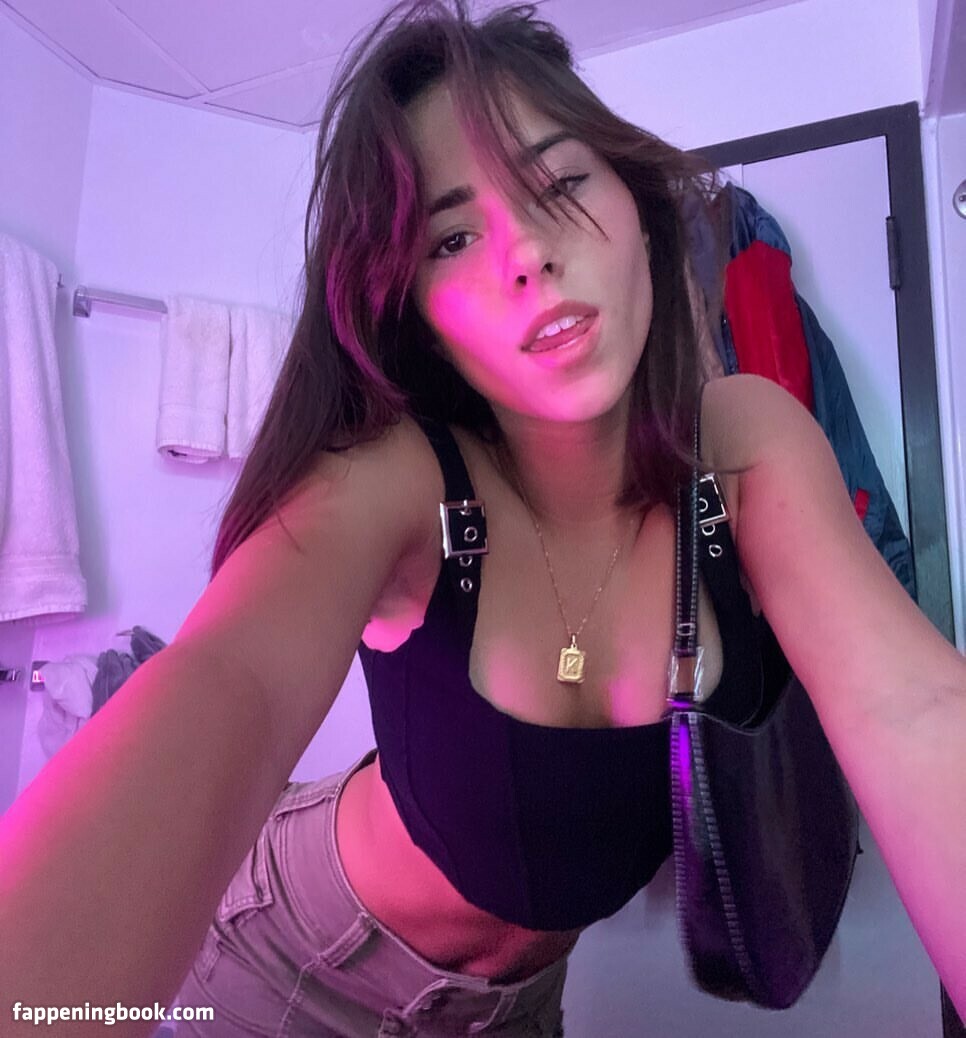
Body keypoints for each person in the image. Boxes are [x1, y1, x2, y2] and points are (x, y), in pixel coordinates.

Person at [0, 1, 963, 1034]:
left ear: (642, 215)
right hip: (287, 958)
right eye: (453, 236)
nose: (528, 254)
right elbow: (226, 684)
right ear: (414, 309)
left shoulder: (743, 449)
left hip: (516, 1009)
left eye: (560, 184)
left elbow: (914, 706)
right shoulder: (397, 479)